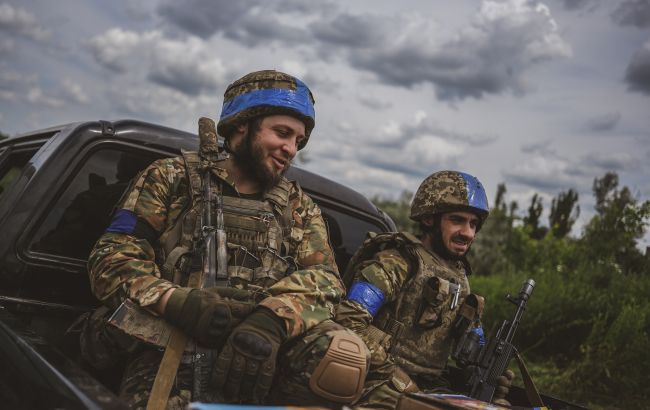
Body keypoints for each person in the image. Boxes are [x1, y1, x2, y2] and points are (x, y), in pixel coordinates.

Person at [87, 70, 368, 409]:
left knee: (339, 345)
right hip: (166, 346)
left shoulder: (299, 208)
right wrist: (173, 301)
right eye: (282, 133)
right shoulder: (172, 178)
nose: (291, 148)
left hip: (254, 357)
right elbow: (112, 258)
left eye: (299, 140)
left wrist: (272, 320)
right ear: (241, 126)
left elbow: (325, 282)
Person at [335, 170, 514, 409]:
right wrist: (400, 380)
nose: (468, 233)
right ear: (429, 219)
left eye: (473, 224)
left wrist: (488, 370)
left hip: (432, 388)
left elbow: (469, 348)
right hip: (376, 382)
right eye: (457, 220)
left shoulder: (459, 276)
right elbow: (349, 321)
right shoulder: (397, 261)